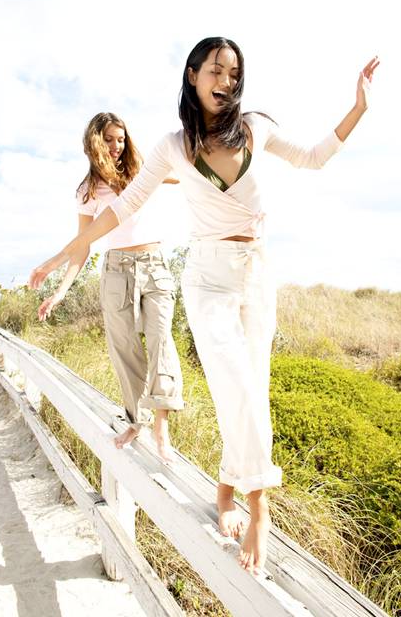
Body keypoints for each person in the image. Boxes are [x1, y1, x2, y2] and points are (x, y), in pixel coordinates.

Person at [29, 38, 379, 573]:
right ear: (193, 75)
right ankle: (258, 507)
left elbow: (313, 157)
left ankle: (225, 486)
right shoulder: (173, 146)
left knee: (253, 385)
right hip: (208, 277)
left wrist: (358, 106)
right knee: (235, 381)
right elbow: (118, 209)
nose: (226, 80)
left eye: (234, 73)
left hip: (258, 273)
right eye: (216, 69)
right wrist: (61, 257)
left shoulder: (254, 128)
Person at [37, 112, 183, 462]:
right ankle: (137, 421)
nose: (117, 146)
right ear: (94, 142)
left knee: (161, 340)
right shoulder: (87, 191)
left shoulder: (140, 173)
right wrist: (60, 291)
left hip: (155, 265)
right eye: (109, 139)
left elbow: (181, 174)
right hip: (117, 271)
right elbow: (83, 244)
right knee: (125, 350)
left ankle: (161, 425)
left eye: (121, 138)